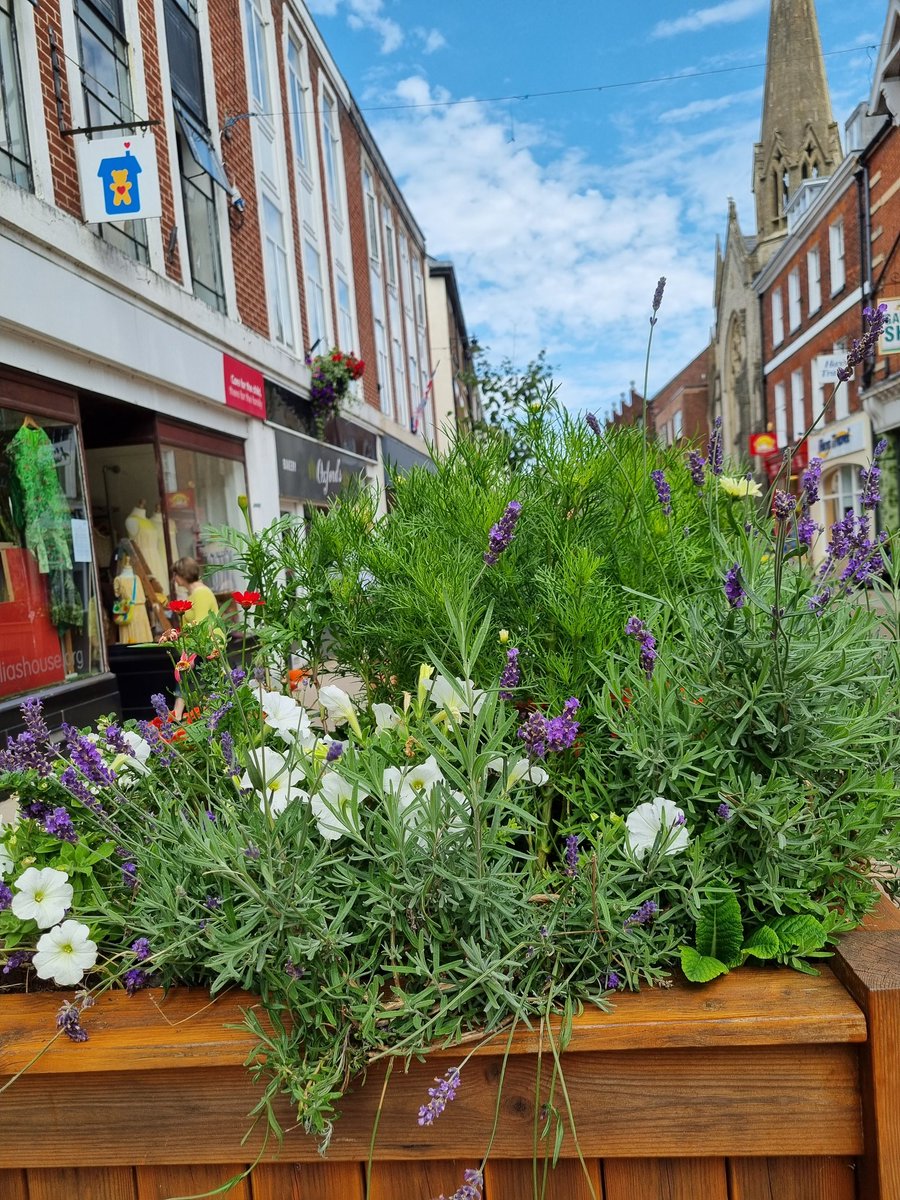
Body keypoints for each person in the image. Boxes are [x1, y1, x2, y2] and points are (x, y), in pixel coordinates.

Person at [171, 557, 220, 719]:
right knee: (185, 678)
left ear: (182, 575)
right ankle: (178, 715)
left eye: (176, 575)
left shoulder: (201, 593)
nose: (175, 579)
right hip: (196, 645)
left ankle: (178, 715)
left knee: (203, 683)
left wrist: (189, 651)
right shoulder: (193, 594)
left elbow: (199, 624)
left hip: (207, 647)